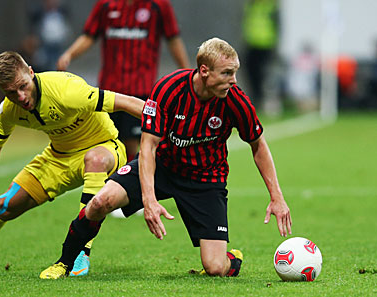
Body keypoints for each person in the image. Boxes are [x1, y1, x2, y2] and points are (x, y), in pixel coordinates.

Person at [40, 37, 292, 279]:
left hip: (205, 179)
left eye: (234, 73)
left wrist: (277, 196)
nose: (233, 80)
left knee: (215, 267)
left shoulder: (236, 100)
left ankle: (231, 259)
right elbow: (148, 147)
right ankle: (64, 261)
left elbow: (258, 145)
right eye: (226, 73)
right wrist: (149, 200)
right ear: (204, 71)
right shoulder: (168, 89)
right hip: (162, 166)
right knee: (100, 202)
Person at [0, 51, 145, 276]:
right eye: (11, 92)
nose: (20, 97)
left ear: (31, 72)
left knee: (95, 159)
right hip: (58, 156)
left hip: (104, 147)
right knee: (3, 206)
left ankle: (81, 252)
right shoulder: (8, 110)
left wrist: (165, 126)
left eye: (23, 87)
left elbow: (127, 102)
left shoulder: (67, 90)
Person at [57, 0, 190, 162]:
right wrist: (69, 54)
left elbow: (173, 39)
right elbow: (89, 35)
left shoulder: (158, 5)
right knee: (106, 142)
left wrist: (186, 73)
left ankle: (130, 184)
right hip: (109, 90)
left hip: (140, 89)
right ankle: (111, 183)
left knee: (131, 144)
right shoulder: (105, 5)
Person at [242, 0, 279, 110]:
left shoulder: (270, 6)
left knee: (265, 74)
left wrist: (275, 44)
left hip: (266, 44)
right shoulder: (252, 5)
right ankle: (256, 98)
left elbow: (277, 25)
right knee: (251, 72)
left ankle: (268, 101)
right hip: (252, 44)